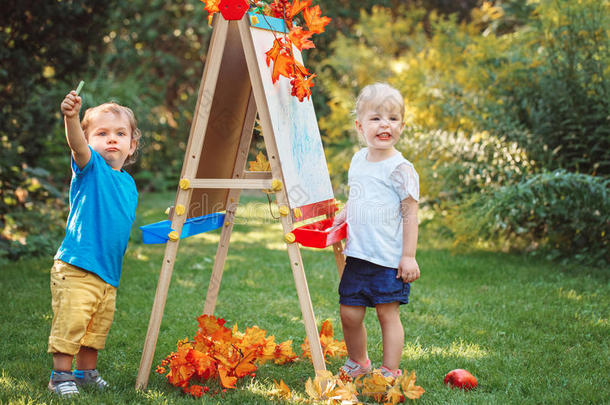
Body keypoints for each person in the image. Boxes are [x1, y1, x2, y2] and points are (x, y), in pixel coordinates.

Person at [47, 89, 141, 396]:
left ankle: (86, 373)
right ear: (89, 142)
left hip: (108, 273)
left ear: (132, 145)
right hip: (77, 265)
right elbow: (75, 145)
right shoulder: (91, 168)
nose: (112, 139)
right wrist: (71, 118)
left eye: (120, 133)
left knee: (96, 328)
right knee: (72, 322)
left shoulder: (128, 183)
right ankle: (60, 377)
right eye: (101, 133)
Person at [333, 83, 420, 379]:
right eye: (376, 118)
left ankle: (389, 370)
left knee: (387, 313)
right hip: (357, 255)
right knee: (349, 312)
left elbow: (410, 213)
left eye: (393, 119)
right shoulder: (358, 160)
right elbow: (357, 194)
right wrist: (346, 211)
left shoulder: (400, 168)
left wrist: (408, 256)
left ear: (402, 126)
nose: (385, 124)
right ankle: (360, 361)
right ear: (360, 126)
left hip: (387, 259)